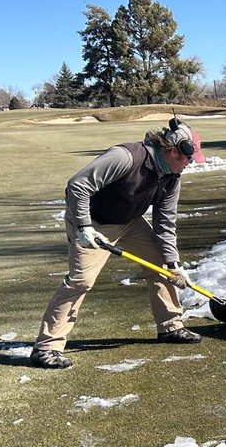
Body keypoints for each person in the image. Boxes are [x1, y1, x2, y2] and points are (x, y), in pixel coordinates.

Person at [30, 118, 207, 369]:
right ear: (173, 150)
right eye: (188, 158)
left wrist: (173, 262)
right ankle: (47, 347)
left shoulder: (171, 175)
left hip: (130, 222)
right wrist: (84, 227)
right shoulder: (125, 157)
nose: (189, 164)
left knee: (160, 266)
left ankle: (171, 327)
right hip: (93, 222)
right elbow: (77, 186)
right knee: (81, 280)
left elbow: (165, 222)